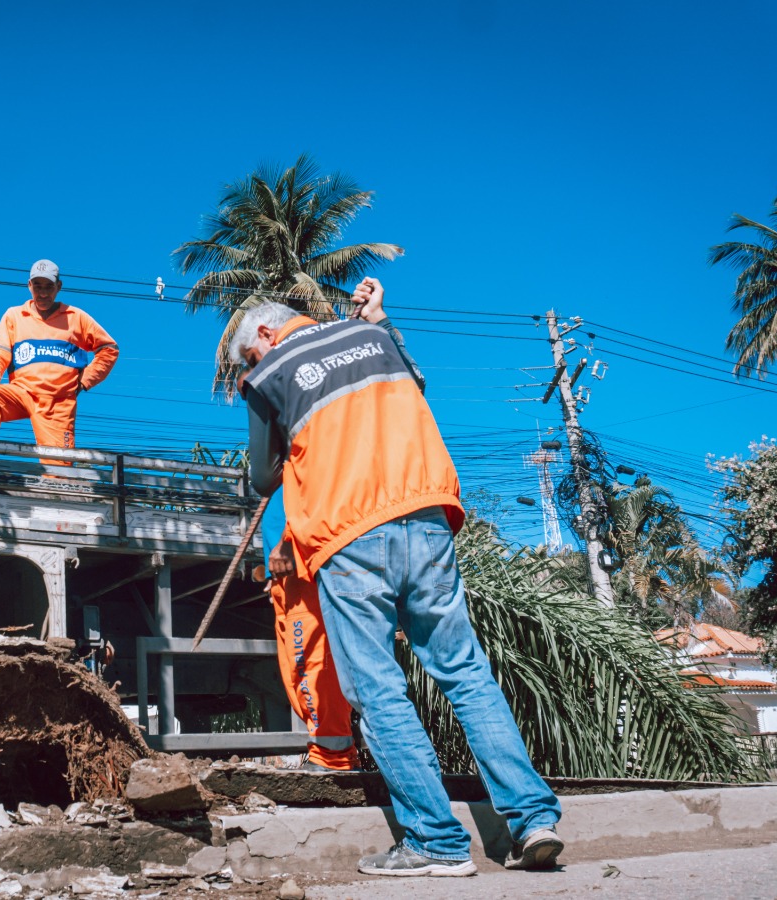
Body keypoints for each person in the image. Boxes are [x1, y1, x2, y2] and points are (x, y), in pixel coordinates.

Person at [233, 278, 563, 877]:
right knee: (465, 672)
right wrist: (380, 320)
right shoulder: (373, 335)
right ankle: (532, 819)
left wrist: (277, 421)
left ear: (262, 333)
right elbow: (417, 386)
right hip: (428, 514)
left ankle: (436, 844)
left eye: (250, 353)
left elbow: (262, 479)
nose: (256, 362)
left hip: (349, 533)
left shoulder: (267, 372)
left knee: (379, 689)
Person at [256, 494, 359, 772]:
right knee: (299, 665)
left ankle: (332, 756)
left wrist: (289, 544)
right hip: (289, 566)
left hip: (305, 559)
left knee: (313, 662)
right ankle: (336, 753)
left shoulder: (303, 454)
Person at [0, 259, 118, 451]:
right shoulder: (14, 316)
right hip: (21, 393)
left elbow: (109, 348)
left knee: (59, 472)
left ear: (59, 286)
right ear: (29, 285)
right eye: (37, 286)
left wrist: (85, 381)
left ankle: (58, 475)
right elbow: (0, 351)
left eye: (49, 286)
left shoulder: (75, 317)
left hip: (58, 404)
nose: (43, 293)